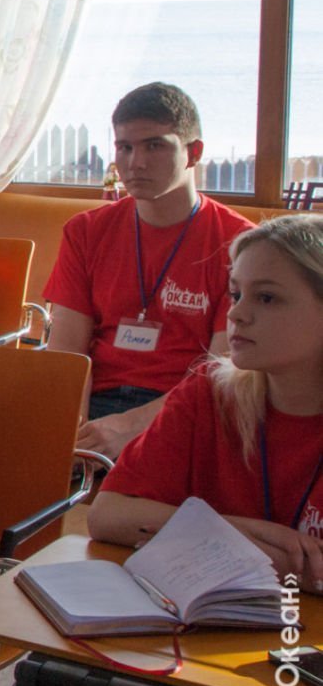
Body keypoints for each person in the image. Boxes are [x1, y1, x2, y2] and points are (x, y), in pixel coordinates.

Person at [89, 214, 323, 686]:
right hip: (210, 648)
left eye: (267, 298)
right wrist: (237, 533)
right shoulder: (208, 392)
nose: (236, 314)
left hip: (305, 666)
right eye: (236, 293)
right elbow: (108, 514)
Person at [44, 83, 254, 460]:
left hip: (187, 408)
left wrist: (133, 427)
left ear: (193, 153)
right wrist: (71, 434)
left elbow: (222, 370)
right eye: (124, 147)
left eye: (154, 145)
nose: (135, 163)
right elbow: (67, 355)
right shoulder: (85, 231)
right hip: (95, 404)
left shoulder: (240, 244)